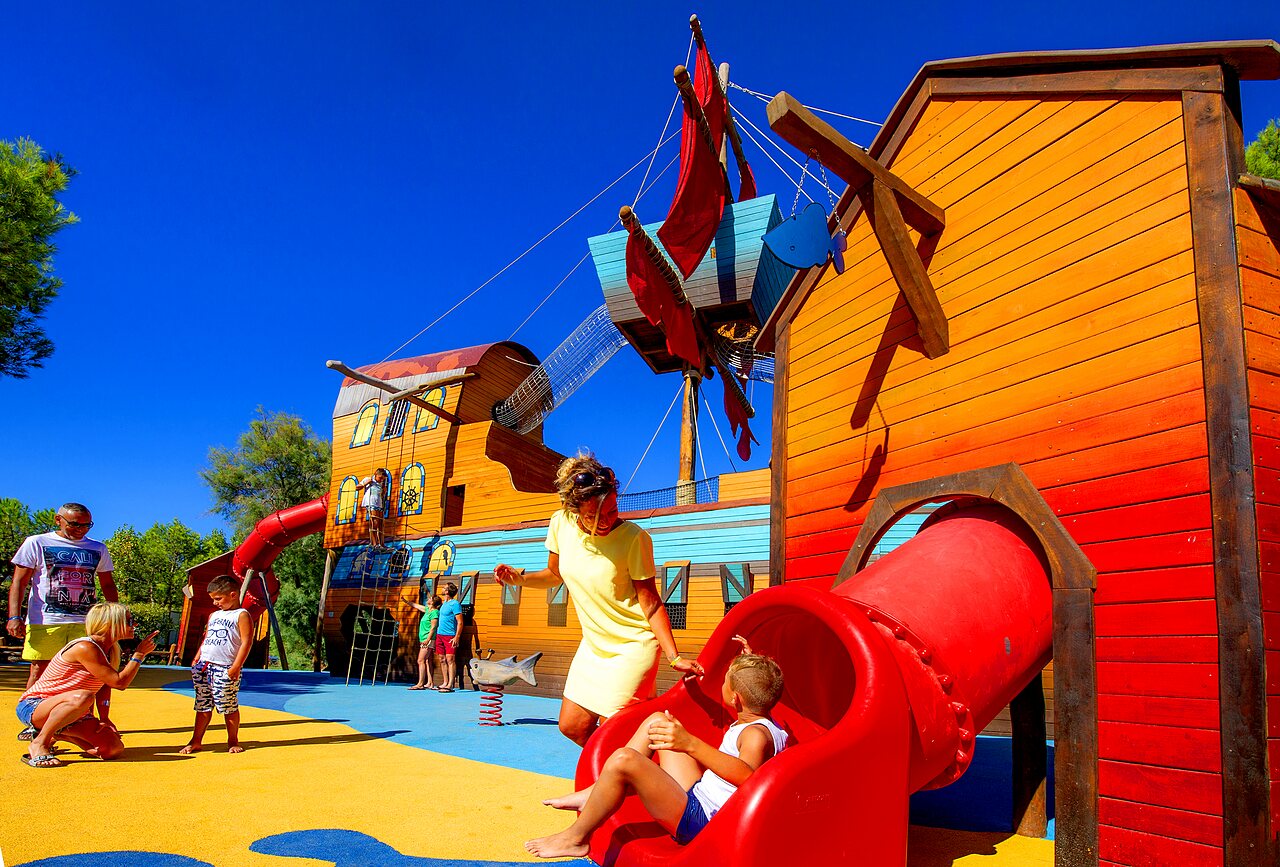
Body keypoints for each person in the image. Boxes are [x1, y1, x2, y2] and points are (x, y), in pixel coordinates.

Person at [495, 453, 703, 745]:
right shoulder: (560, 524)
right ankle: (640, 770)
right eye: (594, 515)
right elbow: (555, 575)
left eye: (612, 511)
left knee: (612, 733)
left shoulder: (634, 539)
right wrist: (519, 579)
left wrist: (673, 655)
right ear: (575, 507)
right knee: (571, 726)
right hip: (594, 646)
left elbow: (652, 602)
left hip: (633, 645)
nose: (605, 521)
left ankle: (626, 781)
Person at [525, 636, 787, 857]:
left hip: (702, 821)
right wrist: (750, 664)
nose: (722, 684)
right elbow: (757, 686)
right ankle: (595, 792)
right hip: (701, 796)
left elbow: (747, 776)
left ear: (736, 698)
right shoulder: (762, 719)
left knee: (624, 760)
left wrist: (690, 744)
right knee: (657, 722)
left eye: (725, 682)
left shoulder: (755, 735)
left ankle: (576, 838)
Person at [7, 502, 120, 740]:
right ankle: (33, 722)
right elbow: (19, 581)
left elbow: (108, 585)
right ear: (58, 520)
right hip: (46, 619)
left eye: (87, 525)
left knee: (87, 674)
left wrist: (114, 618)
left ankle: (81, 721)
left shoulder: (97, 548)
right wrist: (14, 616)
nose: (81, 529)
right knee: (41, 670)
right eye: (75, 524)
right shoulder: (36, 542)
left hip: (87, 622)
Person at [16, 601, 158, 767]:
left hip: (74, 711)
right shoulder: (85, 647)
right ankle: (39, 743)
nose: (134, 624)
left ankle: (58, 732)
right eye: (128, 620)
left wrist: (105, 718)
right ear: (109, 623)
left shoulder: (111, 649)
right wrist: (139, 654)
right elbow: (119, 682)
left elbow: (106, 685)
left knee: (112, 749)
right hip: (35, 706)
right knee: (83, 697)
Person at [179, 575, 254, 754]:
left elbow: (246, 642)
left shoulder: (241, 615)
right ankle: (196, 740)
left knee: (228, 705)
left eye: (218, 599)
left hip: (225, 667)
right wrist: (197, 656)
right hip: (204, 666)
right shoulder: (214, 615)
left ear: (233, 595)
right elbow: (208, 638)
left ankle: (233, 740)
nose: (215, 603)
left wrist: (235, 666)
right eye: (213, 599)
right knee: (202, 704)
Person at [408, 594, 442, 690]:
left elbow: (433, 627)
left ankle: (420, 683)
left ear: (433, 602)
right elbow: (417, 606)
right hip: (424, 639)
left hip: (428, 639)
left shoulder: (434, 612)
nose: (428, 599)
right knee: (427, 660)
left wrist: (428, 639)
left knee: (420, 660)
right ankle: (430, 682)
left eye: (430, 599)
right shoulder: (428, 610)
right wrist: (406, 601)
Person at [434, 582, 463, 692]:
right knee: (442, 659)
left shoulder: (455, 604)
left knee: (450, 659)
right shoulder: (443, 604)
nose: (442, 589)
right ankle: (445, 682)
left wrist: (457, 637)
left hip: (450, 635)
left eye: (444, 588)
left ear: (447, 591)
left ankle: (450, 684)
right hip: (440, 635)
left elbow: (460, 622)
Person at [356, 469, 390, 549]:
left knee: (381, 524)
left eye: (383, 479)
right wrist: (366, 483)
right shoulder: (368, 479)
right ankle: (374, 543)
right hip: (371, 502)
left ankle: (381, 544)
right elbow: (357, 487)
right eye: (380, 478)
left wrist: (384, 492)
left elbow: (381, 495)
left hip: (379, 503)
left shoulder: (381, 484)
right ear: (376, 475)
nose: (381, 480)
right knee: (374, 522)